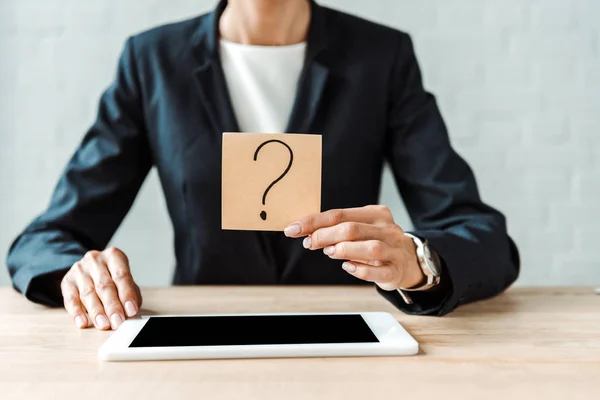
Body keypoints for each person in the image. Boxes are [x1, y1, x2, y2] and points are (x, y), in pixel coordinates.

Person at [6, 0, 519, 330]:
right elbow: (44, 239)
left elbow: (483, 234)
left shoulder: (381, 56)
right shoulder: (152, 61)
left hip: (350, 333)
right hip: (201, 336)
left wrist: (418, 262)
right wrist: (76, 272)